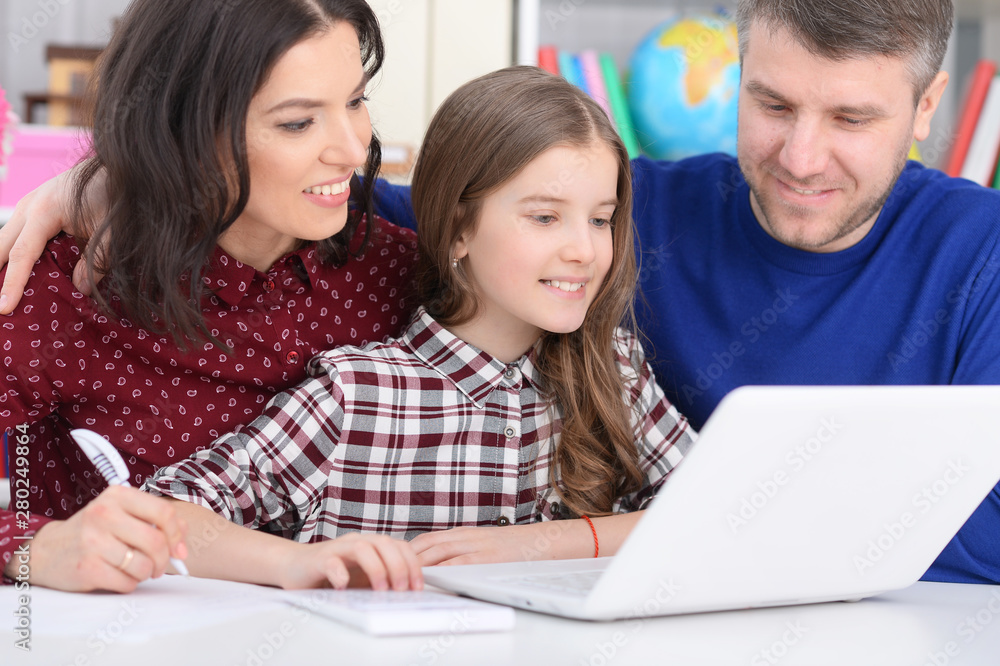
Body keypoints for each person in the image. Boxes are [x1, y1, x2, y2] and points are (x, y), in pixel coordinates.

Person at [5, 0, 1000, 584]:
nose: (799, 155)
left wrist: (521, 545)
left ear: (926, 108)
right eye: (772, 103)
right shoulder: (622, 205)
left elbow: (713, 506)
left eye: (852, 118)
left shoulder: (978, 253)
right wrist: (108, 178)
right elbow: (390, 194)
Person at [139, 66, 694, 582]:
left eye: (601, 219)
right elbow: (163, 517)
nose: (584, 250)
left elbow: (724, 511)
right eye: (545, 217)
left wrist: (547, 542)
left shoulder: (616, 369)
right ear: (458, 231)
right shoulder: (355, 395)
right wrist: (297, 562)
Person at [0, 0, 425, 592]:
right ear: (184, 129)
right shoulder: (65, 285)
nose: (355, 151)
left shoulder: (400, 266)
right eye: (299, 122)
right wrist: (32, 546)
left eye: (355, 101)